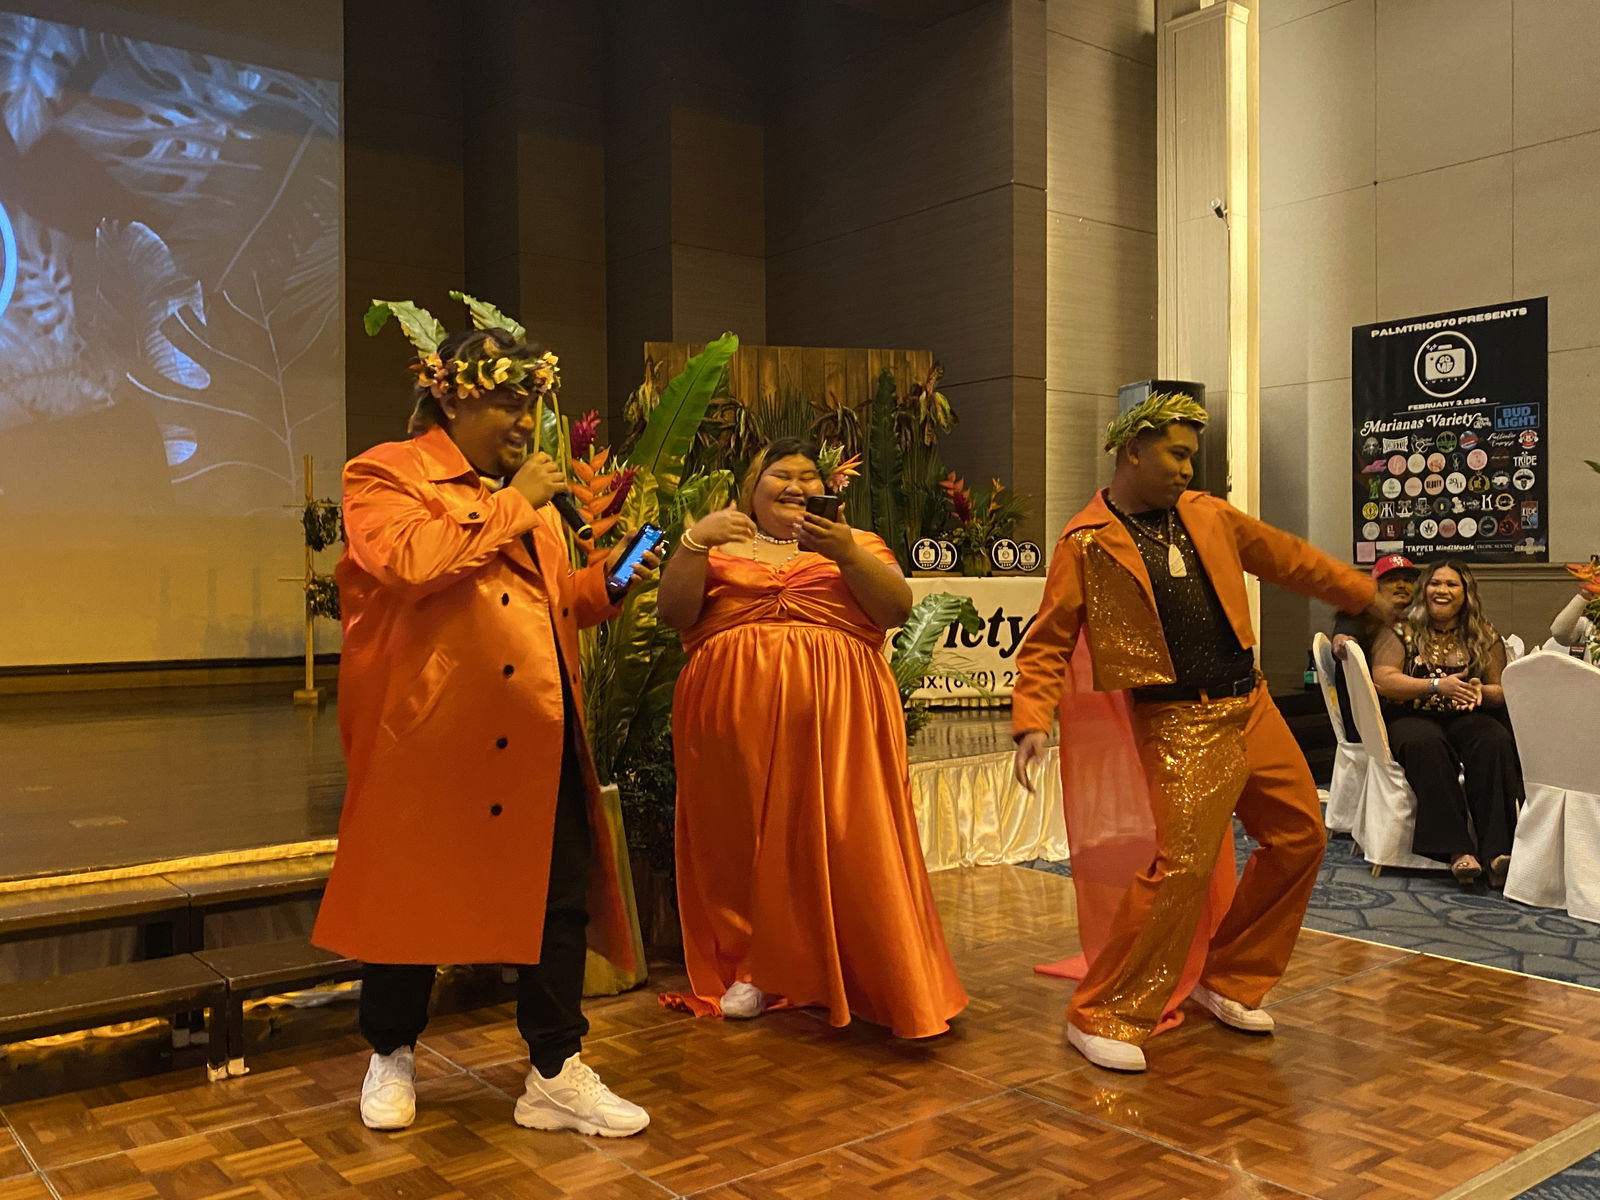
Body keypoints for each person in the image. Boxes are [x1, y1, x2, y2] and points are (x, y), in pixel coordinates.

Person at [313, 299, 657, 1138]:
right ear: (451, 398)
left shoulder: (525, 502)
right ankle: (391, 1052)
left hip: (539, 730)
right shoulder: (383, 474)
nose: (525, 421)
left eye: (530, 403)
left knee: (557, 905)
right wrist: (516, 504)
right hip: (429, 735)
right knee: (409, 899)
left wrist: (613, 580)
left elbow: (553, 603)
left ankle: (555, 1071)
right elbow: (409, 562)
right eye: (507, 402)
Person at [1011, 391, 1382, 1073]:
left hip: (1251, 703)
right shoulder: (1086, 541)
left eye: (1192, 457)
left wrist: (1361, 593)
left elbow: (1289, 558)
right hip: (1178, 719)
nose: (1187, 469)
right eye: (1176, 454)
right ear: (1133, 450)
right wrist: (1032, 719)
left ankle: (1231, 977)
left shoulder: (1208, 514)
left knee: (1301, 836)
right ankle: (1103, 1013)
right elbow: (1049, 639)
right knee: (1180, 867)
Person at [657, 437, 967, 1038]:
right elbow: (675, 614)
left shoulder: (859, 543)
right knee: (739, 837)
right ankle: (752, 965)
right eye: (781, 474)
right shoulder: (717, 544)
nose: (796, 485)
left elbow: (895, 610)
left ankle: (868, 965)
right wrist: (695, 542)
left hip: (842, 722)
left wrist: (844, 551)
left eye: (808, 476)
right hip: (731, 722)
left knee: (848, 834)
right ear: (753, 486)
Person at [1370, 560, 1520, 887]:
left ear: (1466, 593)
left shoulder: (1483, 633)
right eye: (1435, 583)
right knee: (1426, 744)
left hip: (1466, 715)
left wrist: (1481, 692)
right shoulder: (1401, 629)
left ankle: (1498, 852)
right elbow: (1383, 679)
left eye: (1452, 584)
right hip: (1411, 714)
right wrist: (1436, 685)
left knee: (1494, 739)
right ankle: (1457, 850)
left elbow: (1502, 689)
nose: (1442, 590)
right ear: (1424, 589)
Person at [1330, 554, 1418, 733]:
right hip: (1371, 718)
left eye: (1408, 580)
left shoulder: (1419, 619)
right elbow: (1342, 640)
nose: (1401, 585)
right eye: (1392, 580)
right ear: (1375, 587)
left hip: (1408, 706)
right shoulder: (1356, 615)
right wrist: (1343, 643)